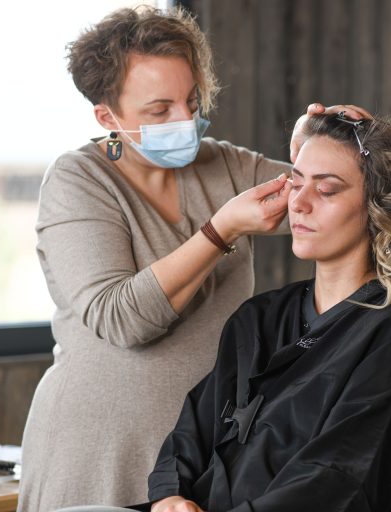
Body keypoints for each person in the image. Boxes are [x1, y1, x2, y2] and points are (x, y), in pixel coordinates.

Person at [19, 5, 369, 511]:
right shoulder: (79, 181)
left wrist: (318, 148)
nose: (184, 121)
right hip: (99, 453)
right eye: (159, 111)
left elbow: (336, 202)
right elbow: (120, 319)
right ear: (107, 117)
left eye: (190, 100)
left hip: (203, 452)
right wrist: (221, 228)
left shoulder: (224, 165)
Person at [145, 113, 391, 512]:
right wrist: (170, 496)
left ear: (378, 207)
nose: (300, 203)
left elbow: (337, 477)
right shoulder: (259, 318)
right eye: (296, 182)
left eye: (326, 189)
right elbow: (193, 428)